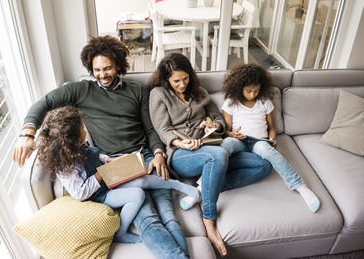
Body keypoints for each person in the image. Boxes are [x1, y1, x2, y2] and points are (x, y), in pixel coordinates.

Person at [13, 35, 191, 258]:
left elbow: (151, 129)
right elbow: (45, 103)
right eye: (96, 69)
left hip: (145, 158)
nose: (102, 74)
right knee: (149, 218)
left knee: (169, 215)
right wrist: (27, 133)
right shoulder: (82, 91)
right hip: (115, 167)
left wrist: (158, 154)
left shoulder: (138, 91)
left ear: (118, 65)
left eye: (107, 68)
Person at [148, 53, 272, 257]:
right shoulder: (158, 94)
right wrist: (181, 142)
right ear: (167, 79)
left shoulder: (199, 92)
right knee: (219, 155)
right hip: (180, 153)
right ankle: (209, 220)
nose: (182, 84)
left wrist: (214, 125)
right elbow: (162, 129)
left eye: (185, 79)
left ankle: (204, 190)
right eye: (176, 81)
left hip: (208, 144)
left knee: (262, 165)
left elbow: (218, 118)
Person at [37, 106, 200, 243]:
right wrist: (101, 174)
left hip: (106, 178)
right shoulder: (66, 167)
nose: (84, 129)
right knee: (137, 194)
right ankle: (121, 232)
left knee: (141, 179)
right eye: (82, 127)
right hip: (99, 195)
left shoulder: (76, 148)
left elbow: (95, 155)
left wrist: (109, 160)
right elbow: (80, 193)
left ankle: (178, 185)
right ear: (75, 138)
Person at [220, 63, 320, 213]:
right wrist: (231, 134)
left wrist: (273, 139)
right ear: (239, 87)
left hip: (259, 142)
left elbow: (272, 128)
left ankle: (300, 186)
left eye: (256, 91)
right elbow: (226, 131)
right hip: (239, 140)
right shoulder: (230, 103)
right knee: (226, 144)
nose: (253, 94)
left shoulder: (264, 102)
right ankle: (202, 186)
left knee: (265, 148)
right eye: (248, 91)